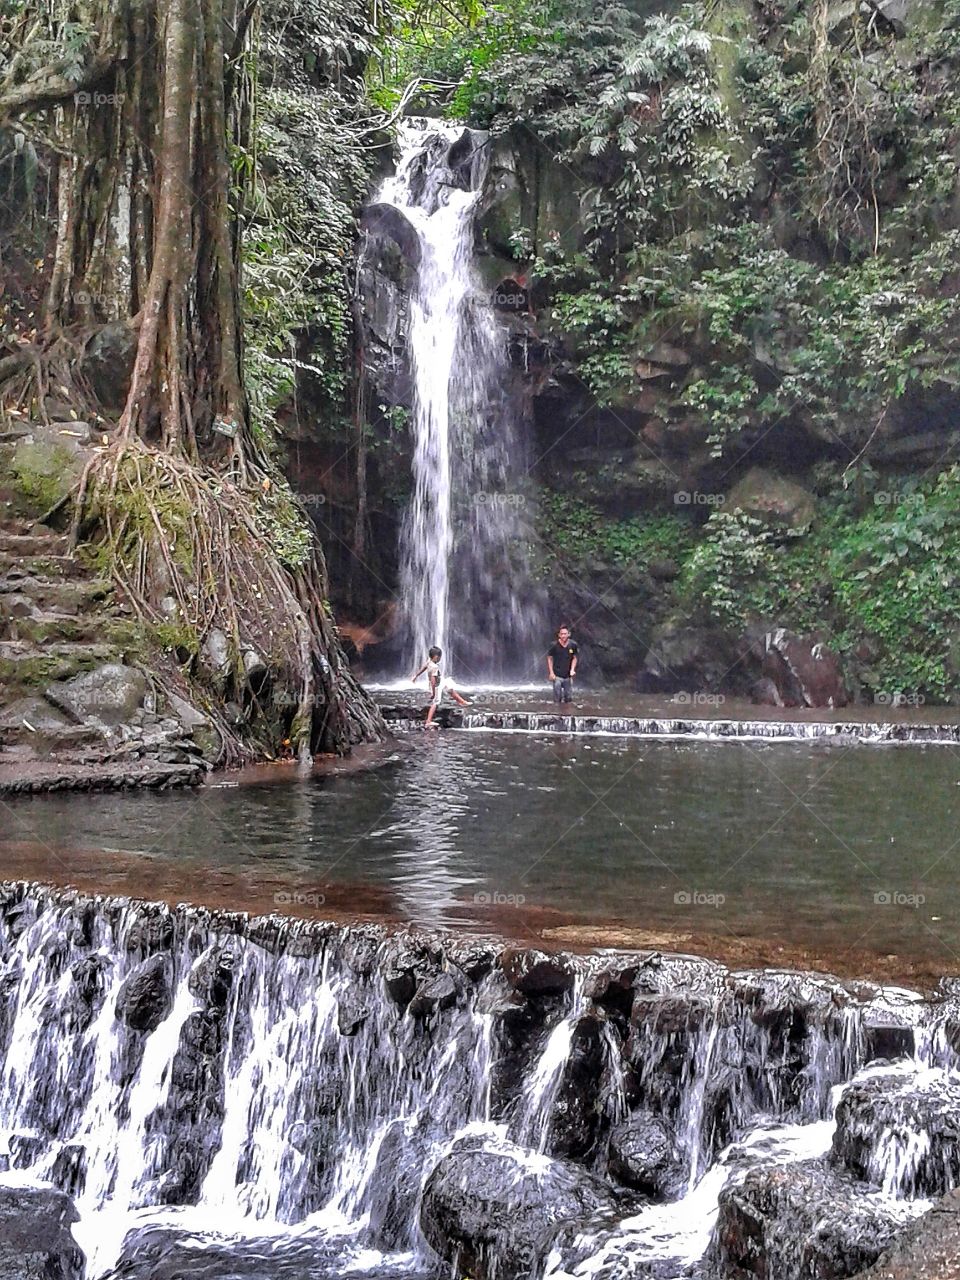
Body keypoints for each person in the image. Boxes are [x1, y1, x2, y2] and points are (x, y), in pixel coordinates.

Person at [412, 646, 471, 728]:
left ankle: (461, 702)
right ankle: (428, 721)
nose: (440, 659)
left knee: (449, 686)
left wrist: (416, 676)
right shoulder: (435, 667)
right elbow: (433, 680)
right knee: (435, 702)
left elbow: (424, 668)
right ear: (436, 657)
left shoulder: (429, 662)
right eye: (440, 657)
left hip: (440, 681)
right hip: (436, 685)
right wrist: (432, 692)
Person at [546, 625, 578, 704]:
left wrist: (572, 670)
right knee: (557, 697)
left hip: (568, 676)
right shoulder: (553, 645)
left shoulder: (573, 645)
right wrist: (551, 673)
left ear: (569, 634)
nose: (563, 636)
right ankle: (557, 713)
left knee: (568, 698)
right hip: (557, 675)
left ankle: (567, 714)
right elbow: (549, 658)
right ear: (559, 635)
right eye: (562, 634)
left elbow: (575, 658)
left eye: (565, 634)